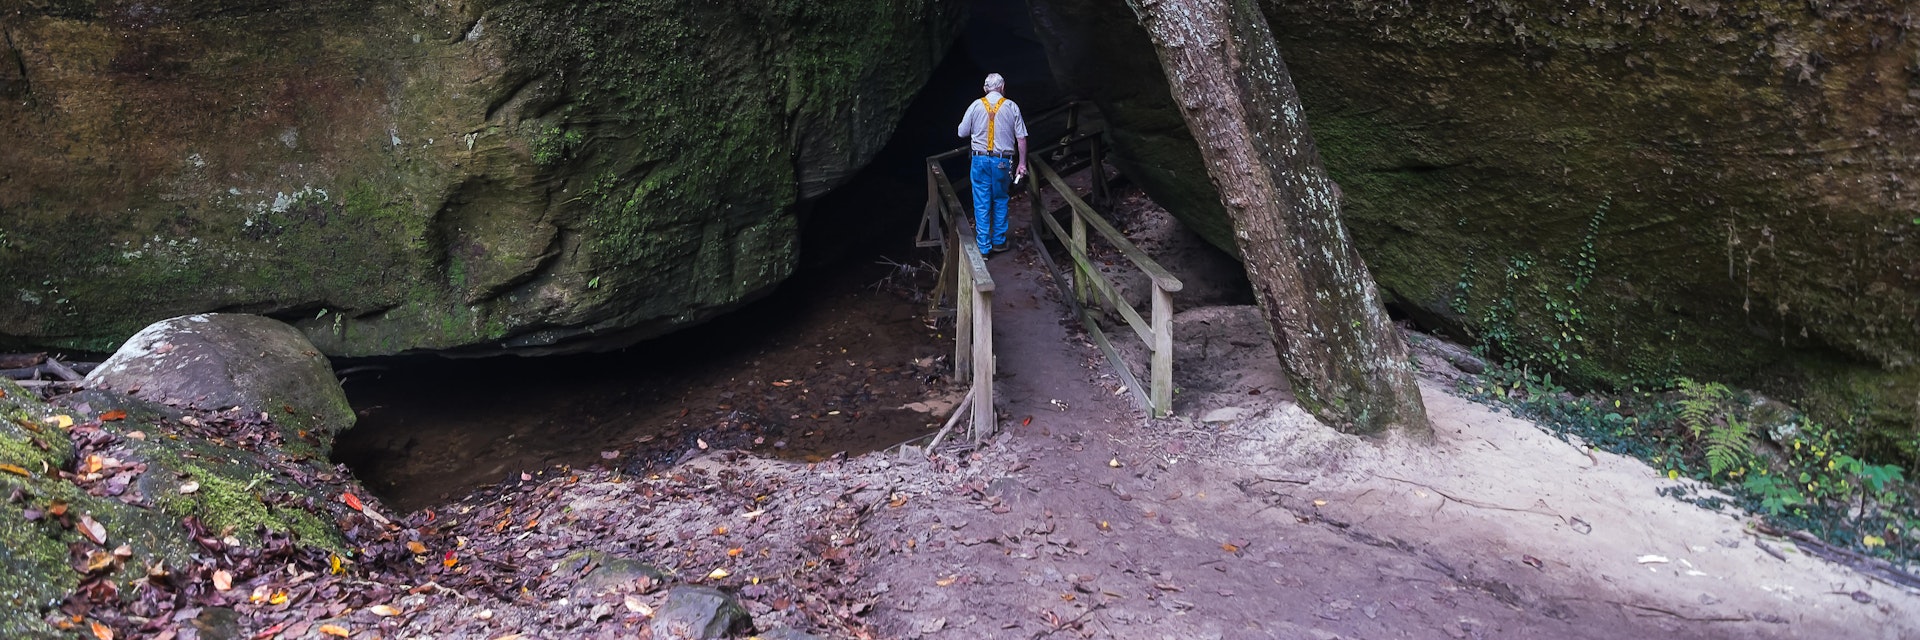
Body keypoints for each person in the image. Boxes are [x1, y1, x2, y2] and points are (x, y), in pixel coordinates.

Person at [956, 73, 1028, 256]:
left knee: (981, 202)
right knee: (1000, 199)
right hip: (1002, 162)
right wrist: (1022, 163)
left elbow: (961, 132)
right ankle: (998, 241)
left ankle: (983, 247)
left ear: (985, 89)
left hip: (979, 160)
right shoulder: (1012, 107)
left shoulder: (975, 105)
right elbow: (1021, 139)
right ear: (1003, 87)